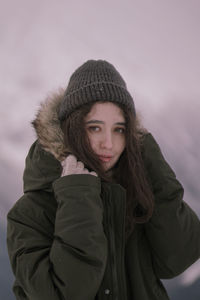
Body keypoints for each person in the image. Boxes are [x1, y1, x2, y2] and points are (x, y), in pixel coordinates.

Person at [7, 60, 200, 300]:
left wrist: (149, 159)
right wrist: (77, 197)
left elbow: (178, 258)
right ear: (71, 129)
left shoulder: (135, 195)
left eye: (119, 129)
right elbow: (67, 294)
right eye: (95, 128)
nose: (108, 143)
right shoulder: (28, 215)